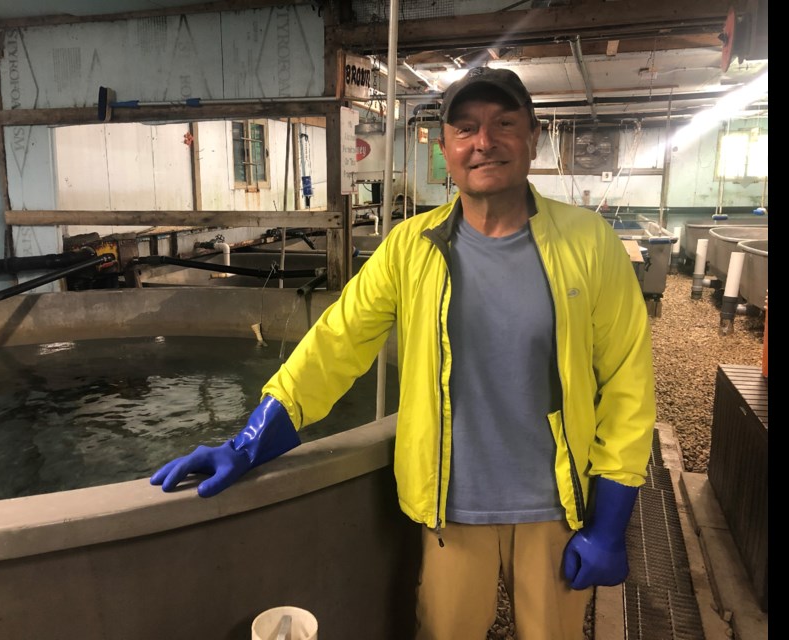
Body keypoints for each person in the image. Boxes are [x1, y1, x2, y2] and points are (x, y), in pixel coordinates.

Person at [151, 67, 656, 640]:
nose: (484, 142)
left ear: (533, 136)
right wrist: (247, 444)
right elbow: (335, 345)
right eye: (465, 129)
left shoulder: (588, 243)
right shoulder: (410, 249)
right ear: (445, 148)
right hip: (450, 507)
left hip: (556, 507)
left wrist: (611, 521)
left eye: (503, 124)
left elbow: (626, 384)